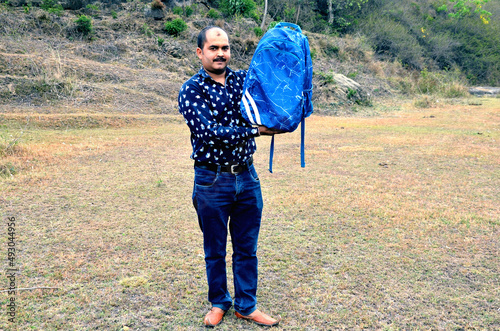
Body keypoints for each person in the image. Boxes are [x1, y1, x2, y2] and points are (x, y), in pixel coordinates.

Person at [178, 26, 282, 327]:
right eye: (213, 48)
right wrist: (255, 130)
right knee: (215, 249)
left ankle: (246, 305)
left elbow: (268, 102)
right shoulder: (191, 89)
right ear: (200, 52)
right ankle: (219, 302)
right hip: (212, 180)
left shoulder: (242, 81)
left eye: (224, 48)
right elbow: (210, 133)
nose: (220, 53)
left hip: (247, 176)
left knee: (246, 248)